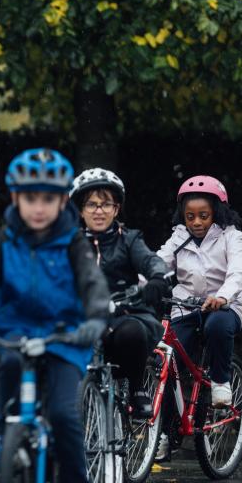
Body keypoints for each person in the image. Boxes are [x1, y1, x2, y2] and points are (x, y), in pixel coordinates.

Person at [0, 148, 111, 481]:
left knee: (64, 415)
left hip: (65, 335)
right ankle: (5, 437)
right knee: (8, 365)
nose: (39, 208)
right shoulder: (3, 240)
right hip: (17, 330)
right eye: (30, 198)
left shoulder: (72, 242)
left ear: (63, 202)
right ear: (15, 198)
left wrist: (94, 320)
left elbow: (93, 285)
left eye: (48, 200)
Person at [155, 175, 242, 460]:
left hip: (225, 305)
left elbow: (238, 272)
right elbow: (157, 262)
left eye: (204, 216)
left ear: (216, 213)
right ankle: (163, 433)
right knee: (168, 362)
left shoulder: (231, 235)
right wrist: (137, 283)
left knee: (218, 326)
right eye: (190, 216)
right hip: (186, 307)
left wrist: (223, 297)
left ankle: (221, 382)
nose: (196, 222)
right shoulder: (179, 237)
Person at [69, 168, 170, 417]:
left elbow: (150, 261)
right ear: (81, 211)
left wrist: (158, 277)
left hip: (122, 313)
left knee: (132, 333)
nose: (99, 211)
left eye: (106, 204)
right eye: (91, 205)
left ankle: (136, 390)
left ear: (116, 209)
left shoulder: (129, 240)